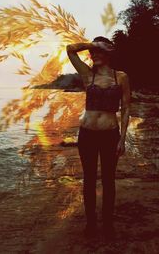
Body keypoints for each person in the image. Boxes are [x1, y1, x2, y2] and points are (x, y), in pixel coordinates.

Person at [66, 36, 131, 239]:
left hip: (110, 135)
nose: (94, 55)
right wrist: (91, 45)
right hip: (87, 135)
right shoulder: (87, 75)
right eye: (92, 52)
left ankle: (108, 225)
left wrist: (122, 139)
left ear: (108, 53)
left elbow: (127, 107)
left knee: (109, 181)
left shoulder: (121, 77)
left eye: (98, 51)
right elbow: (70, 49)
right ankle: (91, 224)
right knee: (89, 180)